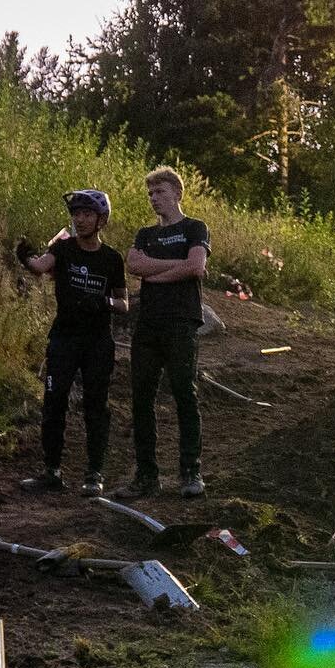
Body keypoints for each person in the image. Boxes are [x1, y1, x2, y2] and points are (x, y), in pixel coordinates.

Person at [15, 190, 129, 496]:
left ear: (100, 220)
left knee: (96, 405)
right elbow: (40, 267)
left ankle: (94, 474)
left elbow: (123, 303)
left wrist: (102, 301)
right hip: (64, 338)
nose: (80, 219)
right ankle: (51, 471)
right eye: (77, 214)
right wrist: (24, 255)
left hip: (97, 342)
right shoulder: (64, 249)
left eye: (87, 214)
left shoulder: (112, 258)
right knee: (54, 402)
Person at [113, 166, 209, 500]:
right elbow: (133, 265)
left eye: (161, 193)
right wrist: (174, 268)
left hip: (182, 322)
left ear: (177, 194)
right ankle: (146, 476)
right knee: (141, 398)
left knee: (185, 393)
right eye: (151, 194)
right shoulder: (145, 235)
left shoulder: (194, 228)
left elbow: (196, 267)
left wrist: (155, 272)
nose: (154, 199)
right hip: (148, 325)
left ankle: (190, 473)